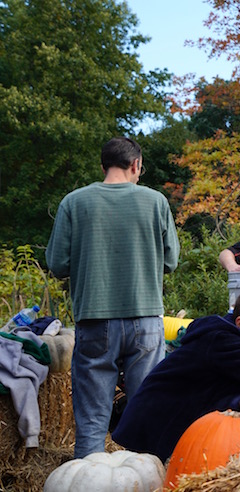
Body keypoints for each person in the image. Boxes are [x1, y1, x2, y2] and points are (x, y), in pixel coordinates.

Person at [46, 136, 180, 458]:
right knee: (146, 415)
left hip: (94, 320)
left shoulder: (74, 202)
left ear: (103, 165)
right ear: (135, 165)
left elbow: (57, 264)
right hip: (146, 320)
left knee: (92, 420)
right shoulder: (156, 201)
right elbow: (171, 261)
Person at [111, 287, 240, 461]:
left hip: (168, 416)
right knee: (150, 477)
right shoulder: (222, 341)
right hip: (154, 419)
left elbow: (214, 387)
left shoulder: (230, 340)